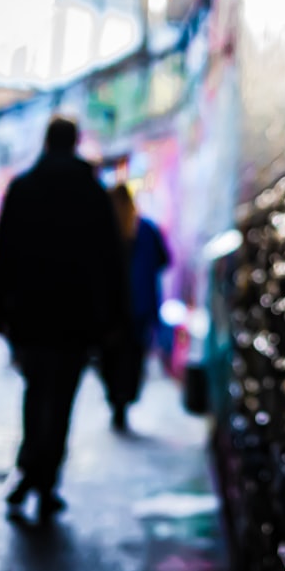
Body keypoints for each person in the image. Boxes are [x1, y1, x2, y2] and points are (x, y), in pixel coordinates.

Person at [0, 116, 127, 523]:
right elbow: (110, 261)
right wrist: (114, 317)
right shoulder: (93, 194)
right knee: (63, 399)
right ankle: (48, 480)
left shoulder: (23, 188)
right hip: (77, 319)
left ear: (47, 143)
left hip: (30, 316)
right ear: (76, 143)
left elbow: (4, 255)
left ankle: (30, 468)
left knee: (35, 393)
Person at [103, 184, 170, 431]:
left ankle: (116, 400)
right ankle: (125, 398)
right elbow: (164, 260)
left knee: (111, 356)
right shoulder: (147, 228)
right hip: (139, 306)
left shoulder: (105, 231)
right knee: (133, 355)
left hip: (112, 307)